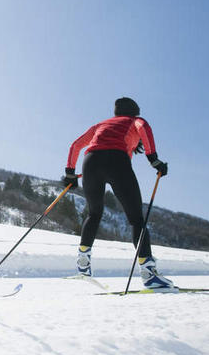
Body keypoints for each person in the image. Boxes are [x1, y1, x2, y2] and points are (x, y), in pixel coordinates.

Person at [63, 97, 173, 289]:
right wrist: (154, 160)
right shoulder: (135, 121)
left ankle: (83, 265)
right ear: (134, 111)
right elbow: (144, 129)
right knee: (136, 220)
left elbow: (76, 145)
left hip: (91, 162)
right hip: (117, 162)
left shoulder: (101, 125)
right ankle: (149, 273)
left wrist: (70, 174)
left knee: (94, 213)